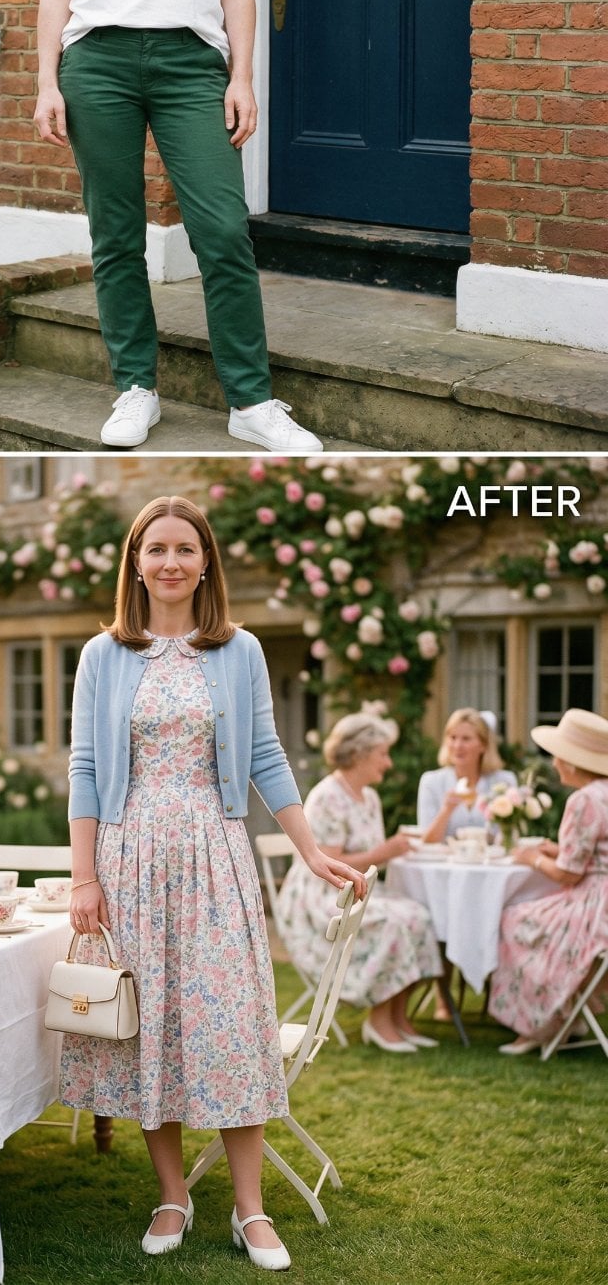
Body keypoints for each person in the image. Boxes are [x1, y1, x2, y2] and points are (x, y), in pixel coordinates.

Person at [65, 495, 365, 1268]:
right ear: (135, 561)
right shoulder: (103, 655)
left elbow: (265, 755)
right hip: (131, 861)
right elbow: (87, 770)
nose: (170, 562)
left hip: (215, 854)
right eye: (156, 548)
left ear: (206, 564)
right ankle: (172, 1194)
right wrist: (83, 877)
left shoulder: (239, 651)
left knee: (232, 1024)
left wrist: (309, 847)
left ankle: (251, 1209)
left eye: (185, 550)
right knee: (149, 1026)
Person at [31, 0, 323, 455]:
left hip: (192, 64)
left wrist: (242, 76)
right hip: (96, 63)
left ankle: (250, 403)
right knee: (116, 234)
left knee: (222, 229)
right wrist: (47, 83)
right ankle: (136, 387)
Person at [277, 712, 442, 1053]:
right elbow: (328, 864)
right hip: (321, 896)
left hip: (357, 890)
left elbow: (367, 856)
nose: (388, 762)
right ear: (360, 754)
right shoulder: (328, 796)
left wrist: (387, 851)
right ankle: (379, 1021)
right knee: (394, 922)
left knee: (420, 915)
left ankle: (398, 1019)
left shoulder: (369, 797)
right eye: (382, 753)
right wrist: (387, 850)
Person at [489, 708, 608, 1055]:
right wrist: (558, 849)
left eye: (558, 756)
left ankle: (538, 1025)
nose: (555, 763)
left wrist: (533, 858)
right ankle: (568, 1015)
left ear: (572, 762)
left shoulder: (583, 800)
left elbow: (570, 875)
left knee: (516, 920)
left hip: (593, 908)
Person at [417, 708, 515, 842]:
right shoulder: (431, 781)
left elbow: (509, 838)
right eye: (452, 737)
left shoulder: (504, 782)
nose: (457, 745)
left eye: (466, 739)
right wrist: (446, 810)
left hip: (490, 861)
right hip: (445, 863)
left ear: (483, 745)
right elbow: (427, 842)